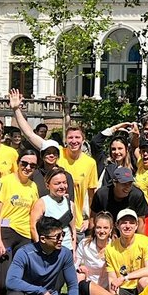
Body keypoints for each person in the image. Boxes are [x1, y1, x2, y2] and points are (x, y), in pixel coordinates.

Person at [12, 89, 99, 237]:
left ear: (83, 140)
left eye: (77, 137)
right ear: (66, 140)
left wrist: (90, 219)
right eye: (70, 138)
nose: (74, 141)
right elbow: (30, 134)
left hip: (73, 223)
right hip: (44, 222)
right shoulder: (56, 152)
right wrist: (16, 109)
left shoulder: (90, 162)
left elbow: (92, 195)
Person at [0, 148, 40, 292]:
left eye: (33, 165)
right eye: (24, 163)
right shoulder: (5, 181)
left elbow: (34, 214)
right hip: (6, 232)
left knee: (23, 276)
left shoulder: (33, 186)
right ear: (18, 163)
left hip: (25, 235)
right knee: (3, 280)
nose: (28, 168)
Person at [105, 209, 148, 295]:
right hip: (123, 288)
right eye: (124, 223)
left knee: (146, 281)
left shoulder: (146, 242)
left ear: (136, 225)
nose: (128, 226)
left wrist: (125, 277)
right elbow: (112, 278)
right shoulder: (110, 248)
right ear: (117, 225)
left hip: (139, 286)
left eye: (131, 223)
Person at [74, 211, 115, 295]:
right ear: (94, 228)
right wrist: (79, 268)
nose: (102, 231)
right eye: (98, 227)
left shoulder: (115, 247)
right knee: (79, 275)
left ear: (111, 230)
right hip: (88, 286)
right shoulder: (84, 244)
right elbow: (74, 265)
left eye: (105, 228)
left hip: (106, 288)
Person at [29, 168, 77, 252]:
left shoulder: (70, 204)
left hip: (67, 249)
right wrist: (41, 249)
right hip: (48, 250)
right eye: (57, 183)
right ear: (48, 186)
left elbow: (73, 229)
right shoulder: (42, 203)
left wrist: (73, 251)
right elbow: (33, 227)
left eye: (64, 182)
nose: (62, 186)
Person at [89, 167, 148, 233]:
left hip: (129, 232)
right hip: (106, 232)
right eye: (124, 184)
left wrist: (140, 239)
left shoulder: (137, 195)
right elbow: (93, 219)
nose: (127, 187)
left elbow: (141, 223)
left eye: (130, 183)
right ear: (114, 183)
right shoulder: (102, 194)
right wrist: (91, 236)